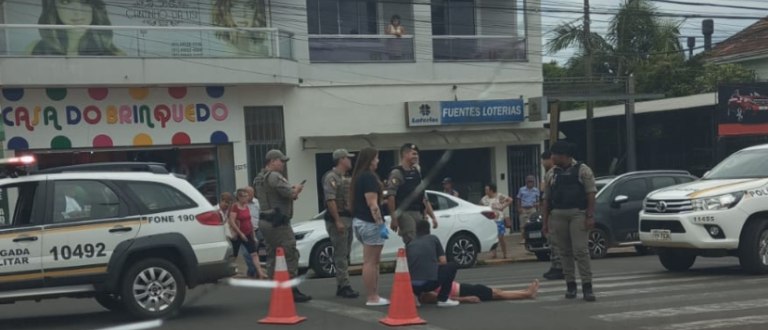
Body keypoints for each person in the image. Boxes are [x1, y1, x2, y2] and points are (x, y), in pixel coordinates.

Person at [542, 141, 598, 302]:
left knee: (581, 251)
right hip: (558, 214)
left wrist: (589, 215)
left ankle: (587, 287)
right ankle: (570, 286)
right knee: (564, 252)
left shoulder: (583, 170)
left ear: (565, 156)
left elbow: (591, 193)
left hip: (577, 214)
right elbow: (546, 198)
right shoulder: (551, 173)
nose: (552, 157)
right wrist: (545, 222)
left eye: (555, 154)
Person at [253, 149, 312, 302]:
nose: (283, 164)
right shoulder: (274, 176)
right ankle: (292, 288)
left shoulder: (259, 178)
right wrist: (296, 189)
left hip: (265, 220)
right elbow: (290, 194)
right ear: (272, 161)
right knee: (290, 252)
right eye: (281, 161)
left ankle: (276, 287)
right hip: (278, 221)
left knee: (273, 254)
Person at [349, 147, 390, 306]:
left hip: (359, 221)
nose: (378, 161)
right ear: (371, 159)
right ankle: (372, 297)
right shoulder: (369, 178)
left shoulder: (358, 177)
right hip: (370, 223)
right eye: (376, 157)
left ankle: (375, 294)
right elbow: (372, 204)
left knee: (373, 261)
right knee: (370, 261)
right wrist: (380, 225)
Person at [322, 149, 360, 299]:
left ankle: (343, 284)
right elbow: (330, 200)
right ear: (341, 160)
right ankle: (344, 285)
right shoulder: (332, 177)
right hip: (339, 219)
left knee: (345, 253)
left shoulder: (345, 178)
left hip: (348, 218)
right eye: (347, 158)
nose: (350, 161)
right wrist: (337, 220)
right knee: (340, 253)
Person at [29, 0, 125, 56]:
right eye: (66, 1)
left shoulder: (116, 54)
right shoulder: (34, 48)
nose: (77, 12)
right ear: (53, 6)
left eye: (84, 1)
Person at [386, 143, 438, 245]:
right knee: (412, 242)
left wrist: (433, 217)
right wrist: (394, 219)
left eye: (417, 154)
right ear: (405, 155)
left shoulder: (416, 172)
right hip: (405, 213)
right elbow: (391, 197)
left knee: (423, 242)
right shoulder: (397, 173)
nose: (416, 156)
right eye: (413, 154)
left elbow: (423, 197)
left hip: (418, 212)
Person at [407, 219, 459, 307]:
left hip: (412, 286)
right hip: (429, 283)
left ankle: (415, 297)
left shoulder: (410, 244)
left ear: (416, 231)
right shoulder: (433, 238)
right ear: (429, 229)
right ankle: (443, 299)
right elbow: (443, 261)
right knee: (452, 266)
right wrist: (432, 264)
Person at [229, 188, 268, 279]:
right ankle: (229, 272)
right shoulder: (235, 207)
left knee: (254, 253)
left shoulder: (246, 207)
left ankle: (260, 272)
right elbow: (232, 221)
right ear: (239, 197)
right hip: (238, 235)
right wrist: (240, 233)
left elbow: (249, 221)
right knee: (234, 255)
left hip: (247, 233)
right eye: (245, 196)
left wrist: (253, 235)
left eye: (247, 196)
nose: (247, 198)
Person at [540, 150, 564, 280]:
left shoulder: (551, 173)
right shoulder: (564, 170)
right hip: (560, 211)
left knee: (554, 241)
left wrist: (545, 219)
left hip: (554, 212)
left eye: (544, 160)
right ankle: (557, 266)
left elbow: (545, 195)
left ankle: (558, 267)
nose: (543, 163)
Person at [418, 279, 539, 304]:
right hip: (463, 292)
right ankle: (527, 294)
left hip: (462, 288)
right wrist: (466, 299)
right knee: (496, 294)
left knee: (496, 292)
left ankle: (525, 292)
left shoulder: (424, 285)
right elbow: (441, 298)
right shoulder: (425, 294)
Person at [479, 183, 512, 259]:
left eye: (487, 189)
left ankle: (504, 253)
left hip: (499, 219)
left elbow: (510, 200)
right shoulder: (484, 199)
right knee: (493, 237)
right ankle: (494, 253)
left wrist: (503, 206)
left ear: (491, 190)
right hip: (490, 220)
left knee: (501, 237)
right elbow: (479, 205)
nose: (485, 191)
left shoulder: (499, 196)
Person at [237, 186, 263, 279]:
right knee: (246, 253)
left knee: (255, 253)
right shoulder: (242, 205)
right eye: (246, 194)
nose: (248, 196)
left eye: (249, 194)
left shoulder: (258, 203)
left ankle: (253, 273)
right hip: (245, 233)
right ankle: (254, 271)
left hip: (257, 230)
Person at [516, 175, 540, 245]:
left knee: (533, 223)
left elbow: (539, 199)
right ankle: (524, 238)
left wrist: (537, 204)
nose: (530, 183)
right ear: (526, 182)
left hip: (532, 208)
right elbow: (518, 199)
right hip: (523, 208)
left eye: (532, 182)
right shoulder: (522, 189)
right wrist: (519, 208)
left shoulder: (536, 190)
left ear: (534, 182)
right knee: (523, 225)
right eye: (529, 181)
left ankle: (533, 237)